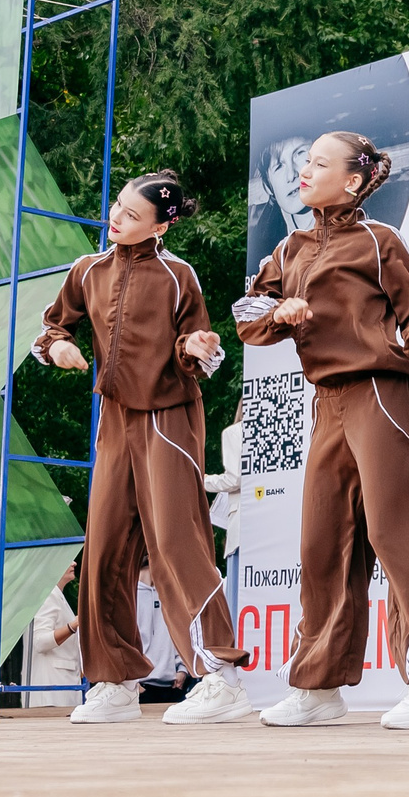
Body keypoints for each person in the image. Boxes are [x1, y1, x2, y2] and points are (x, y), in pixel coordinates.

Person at [234, 131, 409, 728]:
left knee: (392, 533)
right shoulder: (289, 249)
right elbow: (247, 316)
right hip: (326, 403)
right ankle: (319, 686)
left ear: (353, 181)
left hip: (380, 393)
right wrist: (278, 310)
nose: (304, 172)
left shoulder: (380, 241)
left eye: (318, 163)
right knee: (322, 541)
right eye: (304, 163)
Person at [34, 171, 257, 726]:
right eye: (118, 206)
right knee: (104, 547)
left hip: (168, 420)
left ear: (161, 226)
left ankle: (220, 677)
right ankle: (114, 680)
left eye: (132, 215)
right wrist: (57, 346)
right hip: (114, 420)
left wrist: (199, 348)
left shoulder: (179, 275)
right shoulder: (87, 270)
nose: (117, 218)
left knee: (177, 543)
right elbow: (53, 326)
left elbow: (199, 350)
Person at [23, 574, 82, 708]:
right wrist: (73, 626)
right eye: (67, 562)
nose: (74, 564)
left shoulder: (57, 595)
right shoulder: (48, 595)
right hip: (50, 690)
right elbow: (40, 642)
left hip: (61, 688)